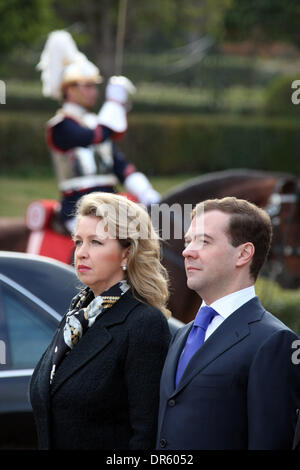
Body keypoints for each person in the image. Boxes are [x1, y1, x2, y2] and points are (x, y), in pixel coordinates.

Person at [156, 196, 300, 450]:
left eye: (203, 241)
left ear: (243, 254)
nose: (187, 250)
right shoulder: (182, 334)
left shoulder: (275, 341)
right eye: (189, 241)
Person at [30, 192, 171, 450]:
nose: (81, 253)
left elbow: (147, 434)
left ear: (127, 254)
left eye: (95, 242)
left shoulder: (144, 323)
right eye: (78, 241)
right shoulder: (78, 315)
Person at [37, 30, 160, 233]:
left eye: (94, 86)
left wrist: (145, 191)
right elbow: (93, 136)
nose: (93, 92)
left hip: (110, 204)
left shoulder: (96, 122)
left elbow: (119, 165)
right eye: (88, 86)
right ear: (69, 89)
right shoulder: (61, 126)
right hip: (77, 209)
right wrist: (114, 104)